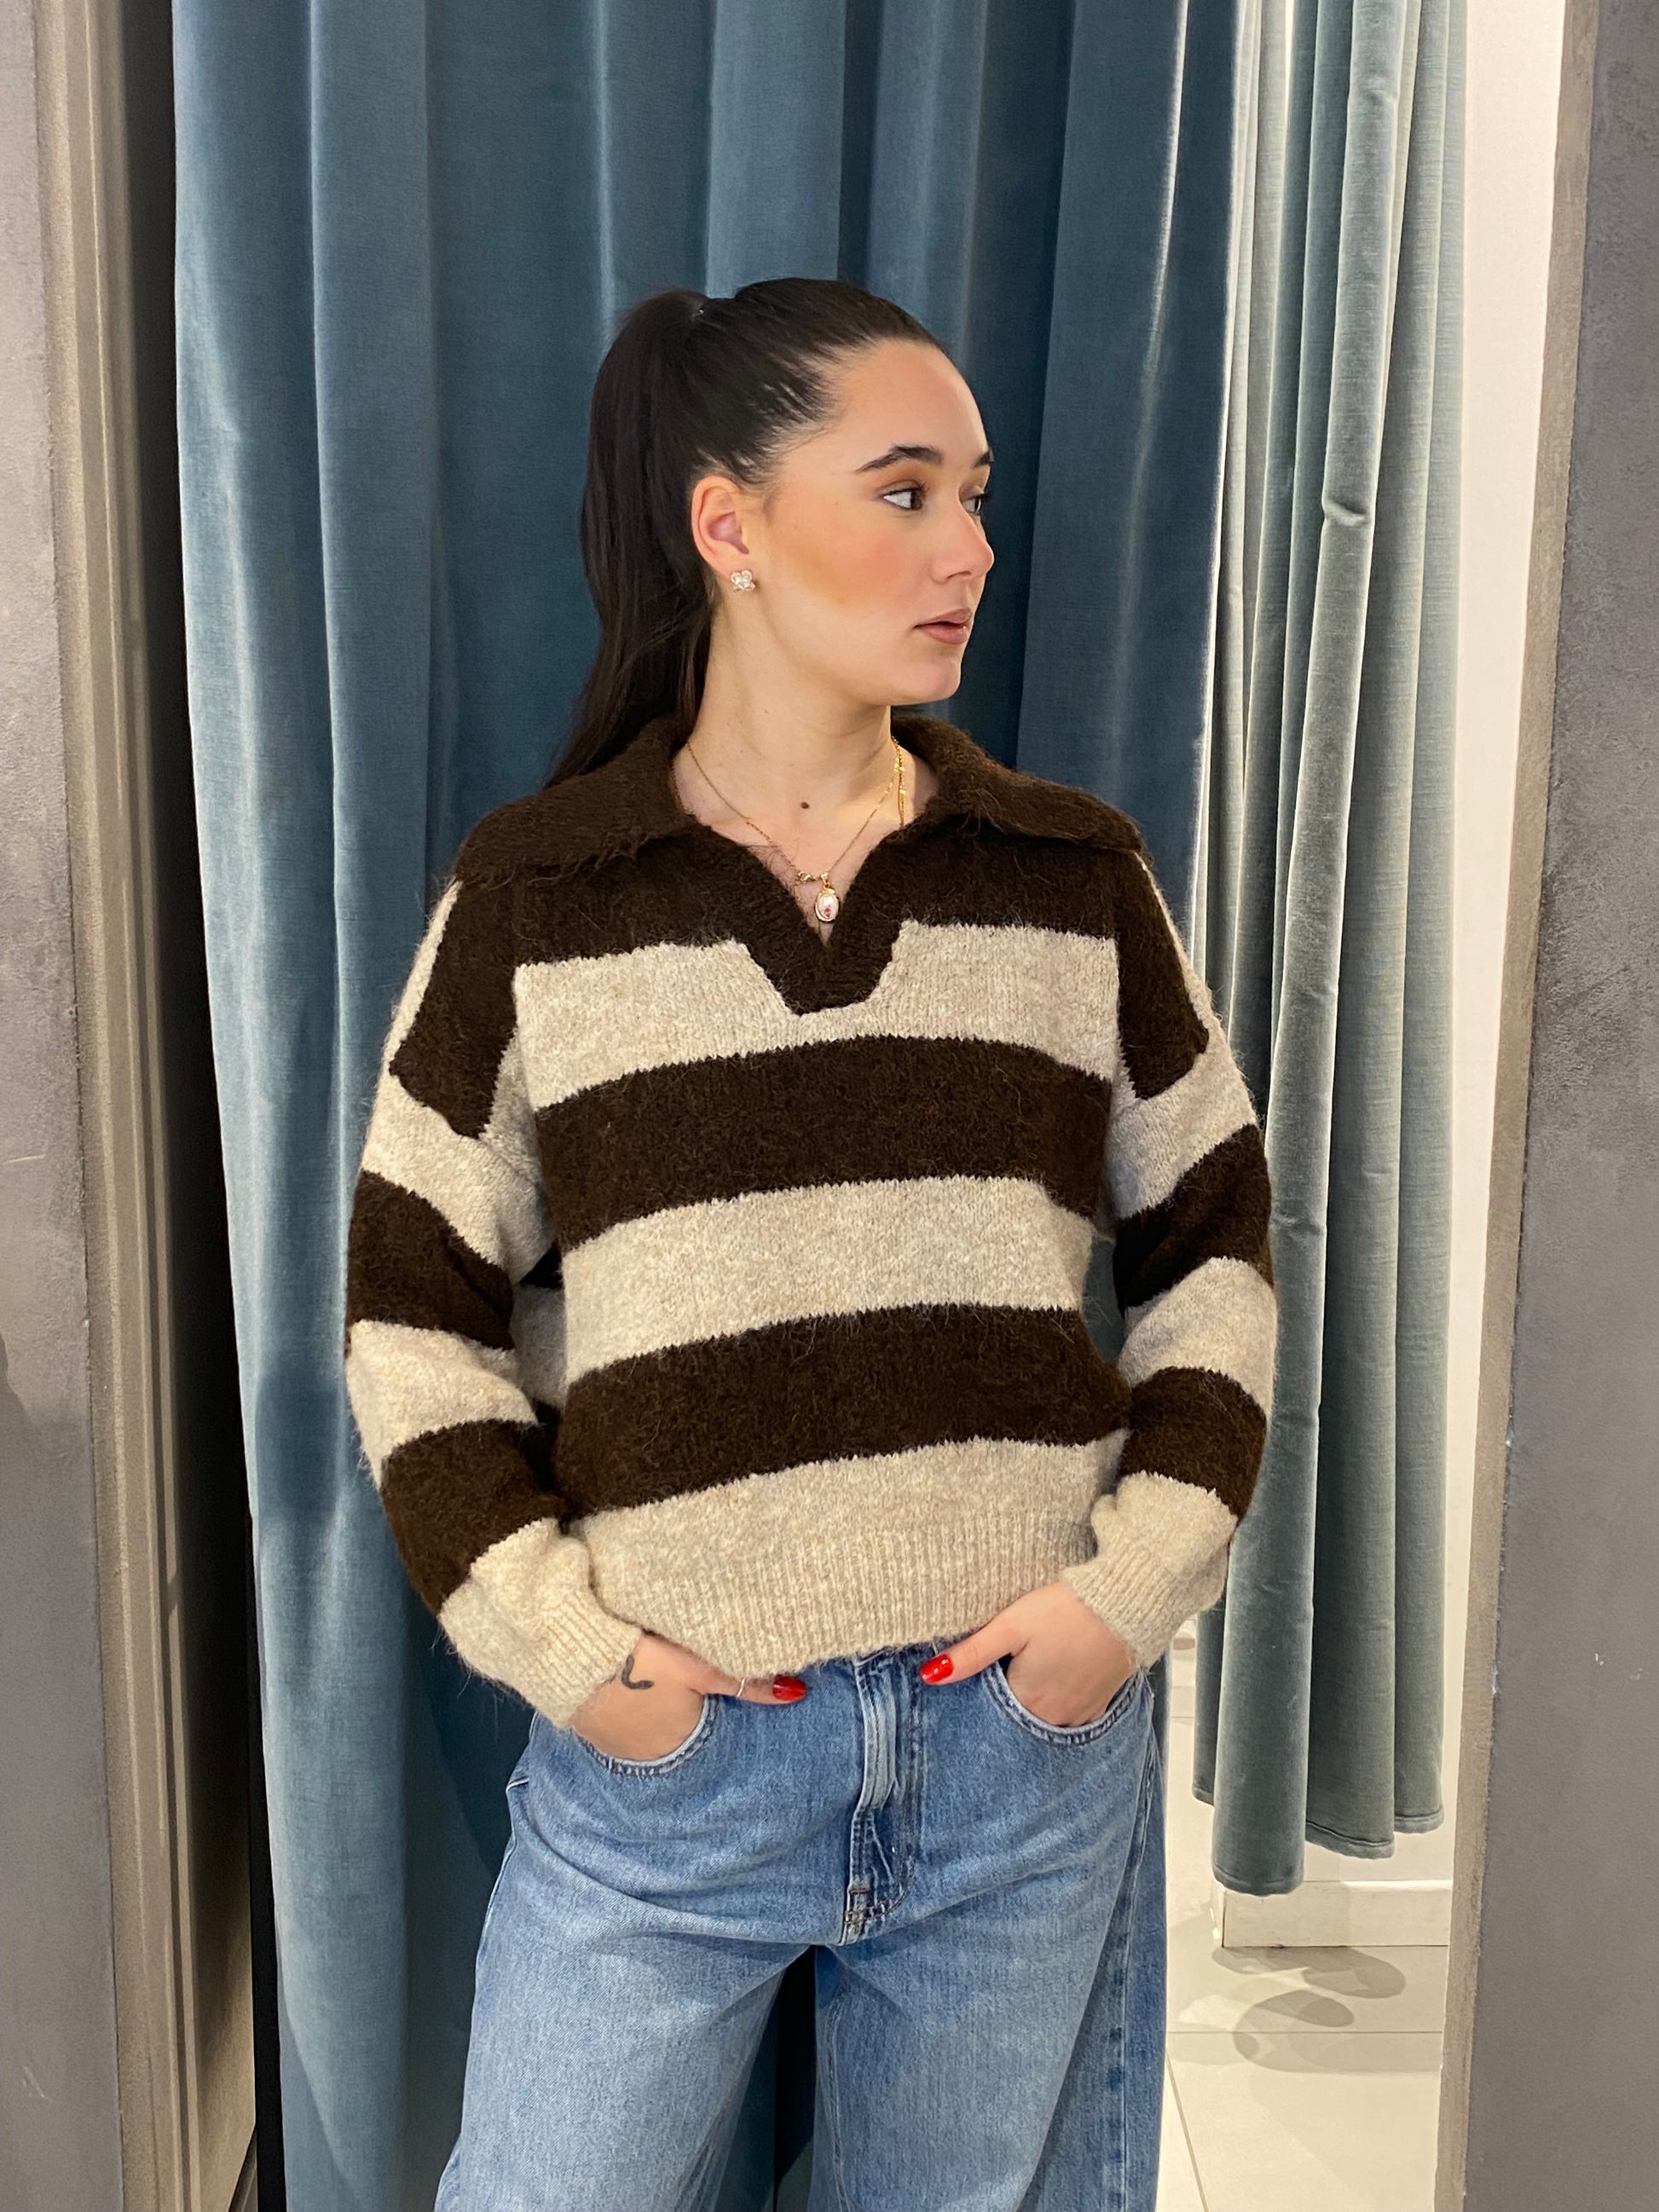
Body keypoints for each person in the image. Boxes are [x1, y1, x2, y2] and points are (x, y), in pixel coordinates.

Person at [344, 276, 1277, 2211]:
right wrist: (570, 1654)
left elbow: (1216, 1254)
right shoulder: (539, 899)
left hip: (1016, 1747)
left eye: (975, 496)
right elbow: (411, 1314)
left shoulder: (1071, 881)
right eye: (905, 490)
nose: (970, 548)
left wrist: (1127, 1597)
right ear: (731, 524)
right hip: (671, 1772)